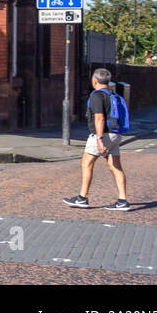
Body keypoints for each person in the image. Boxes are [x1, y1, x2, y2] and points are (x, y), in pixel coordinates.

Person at [64, 67, 130, 211]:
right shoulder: (113, 94)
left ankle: (82, 198)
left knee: (86, 163)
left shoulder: (97, 96)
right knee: (115, 166)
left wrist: (99, 139)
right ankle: (122, 200)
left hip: (102, 134)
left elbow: (99, 118)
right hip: (115, 134)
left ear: (94, 81)